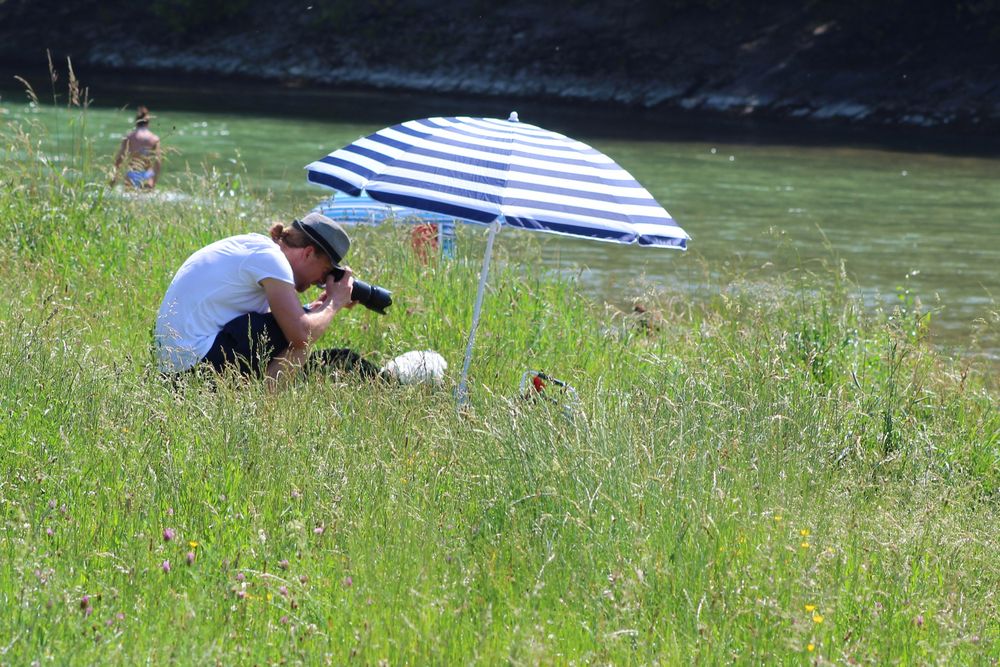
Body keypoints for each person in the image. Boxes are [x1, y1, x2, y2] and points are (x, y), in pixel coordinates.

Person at [154, 212, 383, 385]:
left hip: (175, 370)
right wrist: (334, 303)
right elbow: (301, 334)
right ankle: (260, 412)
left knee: (294, 327)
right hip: (194, 367)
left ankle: (253, 405)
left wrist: (318, 308)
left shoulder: (259, 249)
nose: (318, 282)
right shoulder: (272, 260)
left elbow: (272, 321)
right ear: (308, 253)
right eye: (324, 273)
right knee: (301, 341)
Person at [111, 106, 161, 190]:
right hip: (147, 175)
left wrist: (113, 180)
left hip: (132, 174)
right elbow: (158, 162)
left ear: (136, 121)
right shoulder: (154, 138)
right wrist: (153, 181)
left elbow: (120, 159)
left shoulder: (129, 137)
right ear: (148, 122)